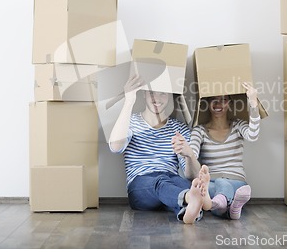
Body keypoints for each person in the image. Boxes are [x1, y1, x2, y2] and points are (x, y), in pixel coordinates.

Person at [108, 75, 207, 224]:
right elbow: (115, 147)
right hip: (141, 185)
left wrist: (189, 155)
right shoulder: (131, 122)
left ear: (169, 96)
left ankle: (188, 211)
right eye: (152, 92)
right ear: (144, 94)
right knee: (161, 182)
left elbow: (192, 175)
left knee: (185, 185)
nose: (157, 98)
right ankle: (189, 198)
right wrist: (129, 101)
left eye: (162, 93)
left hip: (171, 181)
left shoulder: (178, 128)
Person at [189, 82, 263, 219]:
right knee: (209, 188)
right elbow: (192, 154)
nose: (219, 104)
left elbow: (253, 136)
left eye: (223, 100)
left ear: (229, 103)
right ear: (208, 103)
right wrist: (185, 151)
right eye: (214, 100)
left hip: (236, 181)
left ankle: (215, 205)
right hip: (211, 182)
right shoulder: (199, 131)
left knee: (223, 185)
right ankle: (232, 210)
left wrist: (253, 102)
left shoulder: (238, 125)